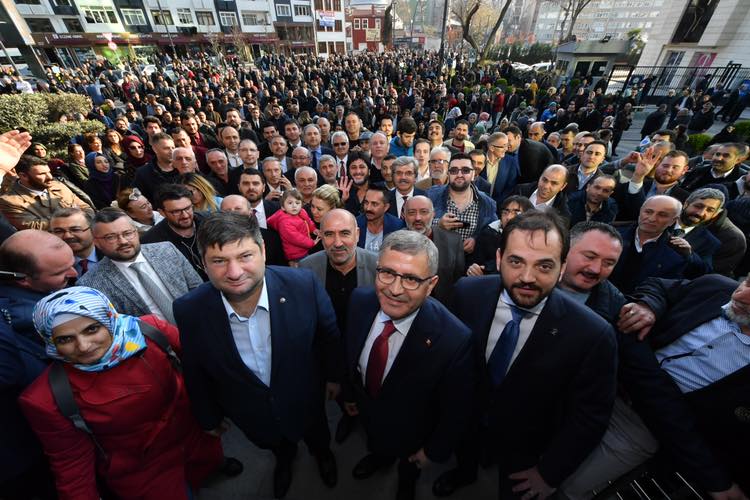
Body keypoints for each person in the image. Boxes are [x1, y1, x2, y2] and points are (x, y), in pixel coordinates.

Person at [436, 211, 617, 499]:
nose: (527, 278)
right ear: (498, 259)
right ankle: (464, 472)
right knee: (465, 454)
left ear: (562, 268)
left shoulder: (592, 334)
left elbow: (590, 416)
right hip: (466, 419)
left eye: (544, 265)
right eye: (516, 261)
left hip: (526, 445)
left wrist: (549, 473)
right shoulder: (468, 292)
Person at [556, 222, 743, 500]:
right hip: (590, 398)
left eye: (608, 262)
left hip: (643, 426)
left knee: (565, 487)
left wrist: (715, 478)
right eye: (589, 256)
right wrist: (648, 305)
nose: (742, 295)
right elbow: (661, 288)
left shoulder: (612, 314)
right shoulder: (717, 288)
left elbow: (651, 384)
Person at [174, 212, 341, 499]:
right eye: (219, 261)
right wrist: (208, 417)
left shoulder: (304, 285)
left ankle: (322, 454)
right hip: (251, 411)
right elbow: (195, 368)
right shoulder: (189, 310)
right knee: (277, 445)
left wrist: (335, 379)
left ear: (263, 250)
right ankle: (284, 460)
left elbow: (329, 337)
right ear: (203, 263)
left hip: (306, 397)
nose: (235, 272)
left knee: (317, 435)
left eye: (245, 256)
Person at [18, 286, 228, 499]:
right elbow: (71, 462)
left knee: (208, 476)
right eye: (65, 339)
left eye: (91, 329)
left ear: (110, 319)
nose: (83, 346)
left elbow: (203, 366)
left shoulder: (150, 330)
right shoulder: (45, 398)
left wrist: (213, 415)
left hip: (199, 440)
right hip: (144, 474)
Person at [344, 230, 474, 500]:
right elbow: (352, 354)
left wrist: (433, 452)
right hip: (368, 413)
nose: (394, 289)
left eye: (412, 279)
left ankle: (406, 481)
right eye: (387, 273)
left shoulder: (454, 339)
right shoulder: (360, 300)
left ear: (431, 284)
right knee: (378, 445)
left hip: (413, 433)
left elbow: (456, 410)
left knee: (408, 468)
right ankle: (379, 458)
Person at [0, 228, 78, 500]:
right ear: (22, 280)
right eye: (60, 273)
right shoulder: (38, 319)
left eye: (72, 263)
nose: (74, 274)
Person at [78, 208, 202, 322]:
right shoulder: (90, 284)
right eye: (111, 237)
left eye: (127, 233)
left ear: (136, 232)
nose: (123, 241)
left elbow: (198, 289)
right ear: (96, 242)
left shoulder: (166, 250)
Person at [609, 195, 696, 294]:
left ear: (673, 221)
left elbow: (662, 291)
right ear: (640, 211)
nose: (652, 218)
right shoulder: (610, 232)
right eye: (648, 212)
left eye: (662, 215)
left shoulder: (675, 254)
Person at [429, 153, 498, 257]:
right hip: (438, 259)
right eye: (454, 170)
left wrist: (476, 240)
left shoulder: (488, 203)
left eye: (465, 170)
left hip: (471, 265)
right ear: (448, 173)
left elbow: (493, 232)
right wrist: (438, 225)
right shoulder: (431, 196)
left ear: (473, 174)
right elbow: (416, 227)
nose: (459, 175)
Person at [0, 155, 92, 231]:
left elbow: (87, 209)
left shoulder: (58, 186)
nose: (50, 177)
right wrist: (74, 215)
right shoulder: (9, 201)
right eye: (42, 174)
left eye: (49, 172)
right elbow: (35, 227)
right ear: (23, 176)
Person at [403, 196, 464, 304]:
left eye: (424, 212)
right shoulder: (392, 243)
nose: (418, 218)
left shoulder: (453, 241)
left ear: (433, 214)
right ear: (404, 216)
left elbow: (457, 282)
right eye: (412, 213)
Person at [142, 184, 207, 280]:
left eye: (188, 208)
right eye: (176, 211)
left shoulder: (210, 221)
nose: (185, 215)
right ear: (162, 212)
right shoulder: (151, 242)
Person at [467, 195, 534, 277]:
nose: (509, 217)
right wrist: (474, 270)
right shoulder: (489, 233)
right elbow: (475, 262)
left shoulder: (534, 241)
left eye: (516, 213)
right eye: (505, 212)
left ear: (528, 217)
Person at [267, 189, 318, 265]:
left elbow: (308, 221)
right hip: (296, 254)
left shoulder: (302, 212)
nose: (294, 206)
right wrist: (311, 243)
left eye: (297, 203)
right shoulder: (284, 222)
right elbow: (296, 238)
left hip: (304, 248)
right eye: (290, 203)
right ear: (283, 207)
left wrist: (313, 229)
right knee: (301, 272)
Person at [49, 207, 100, 278]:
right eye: (59, 231)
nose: (68, 236)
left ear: (92, 230)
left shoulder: (111, 255)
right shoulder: (48, 266)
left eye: (75, 230)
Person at [357, 185, 405, 251]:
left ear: (386, 207)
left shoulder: (397, 227)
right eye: (366, 203)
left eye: (374, 204)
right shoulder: (356, 224)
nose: (368, 208)